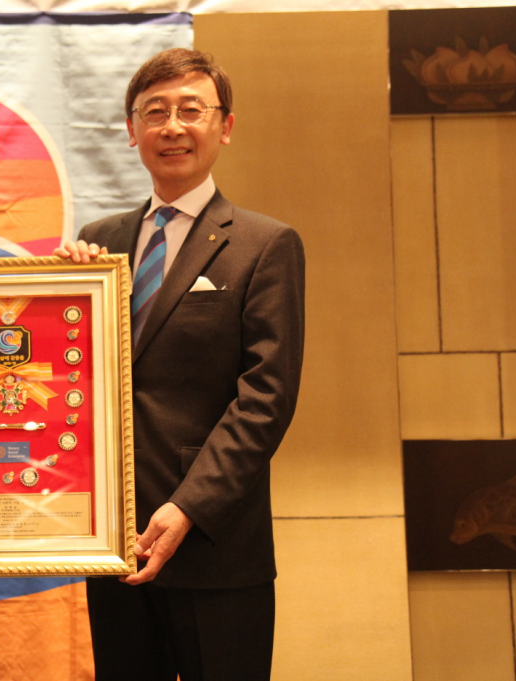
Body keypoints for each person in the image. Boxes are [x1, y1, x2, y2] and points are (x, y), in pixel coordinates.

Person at [56, 48, 305, 680]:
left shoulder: (264, 245)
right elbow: (66, 383)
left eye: (191, 110)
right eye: (155, 112)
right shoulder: (99, 243)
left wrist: (189, 505)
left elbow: (266, 399)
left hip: (215, 545)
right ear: (131, 130)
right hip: (116, 545)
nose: (172, 127)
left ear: (225, 125)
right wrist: (59, 299)